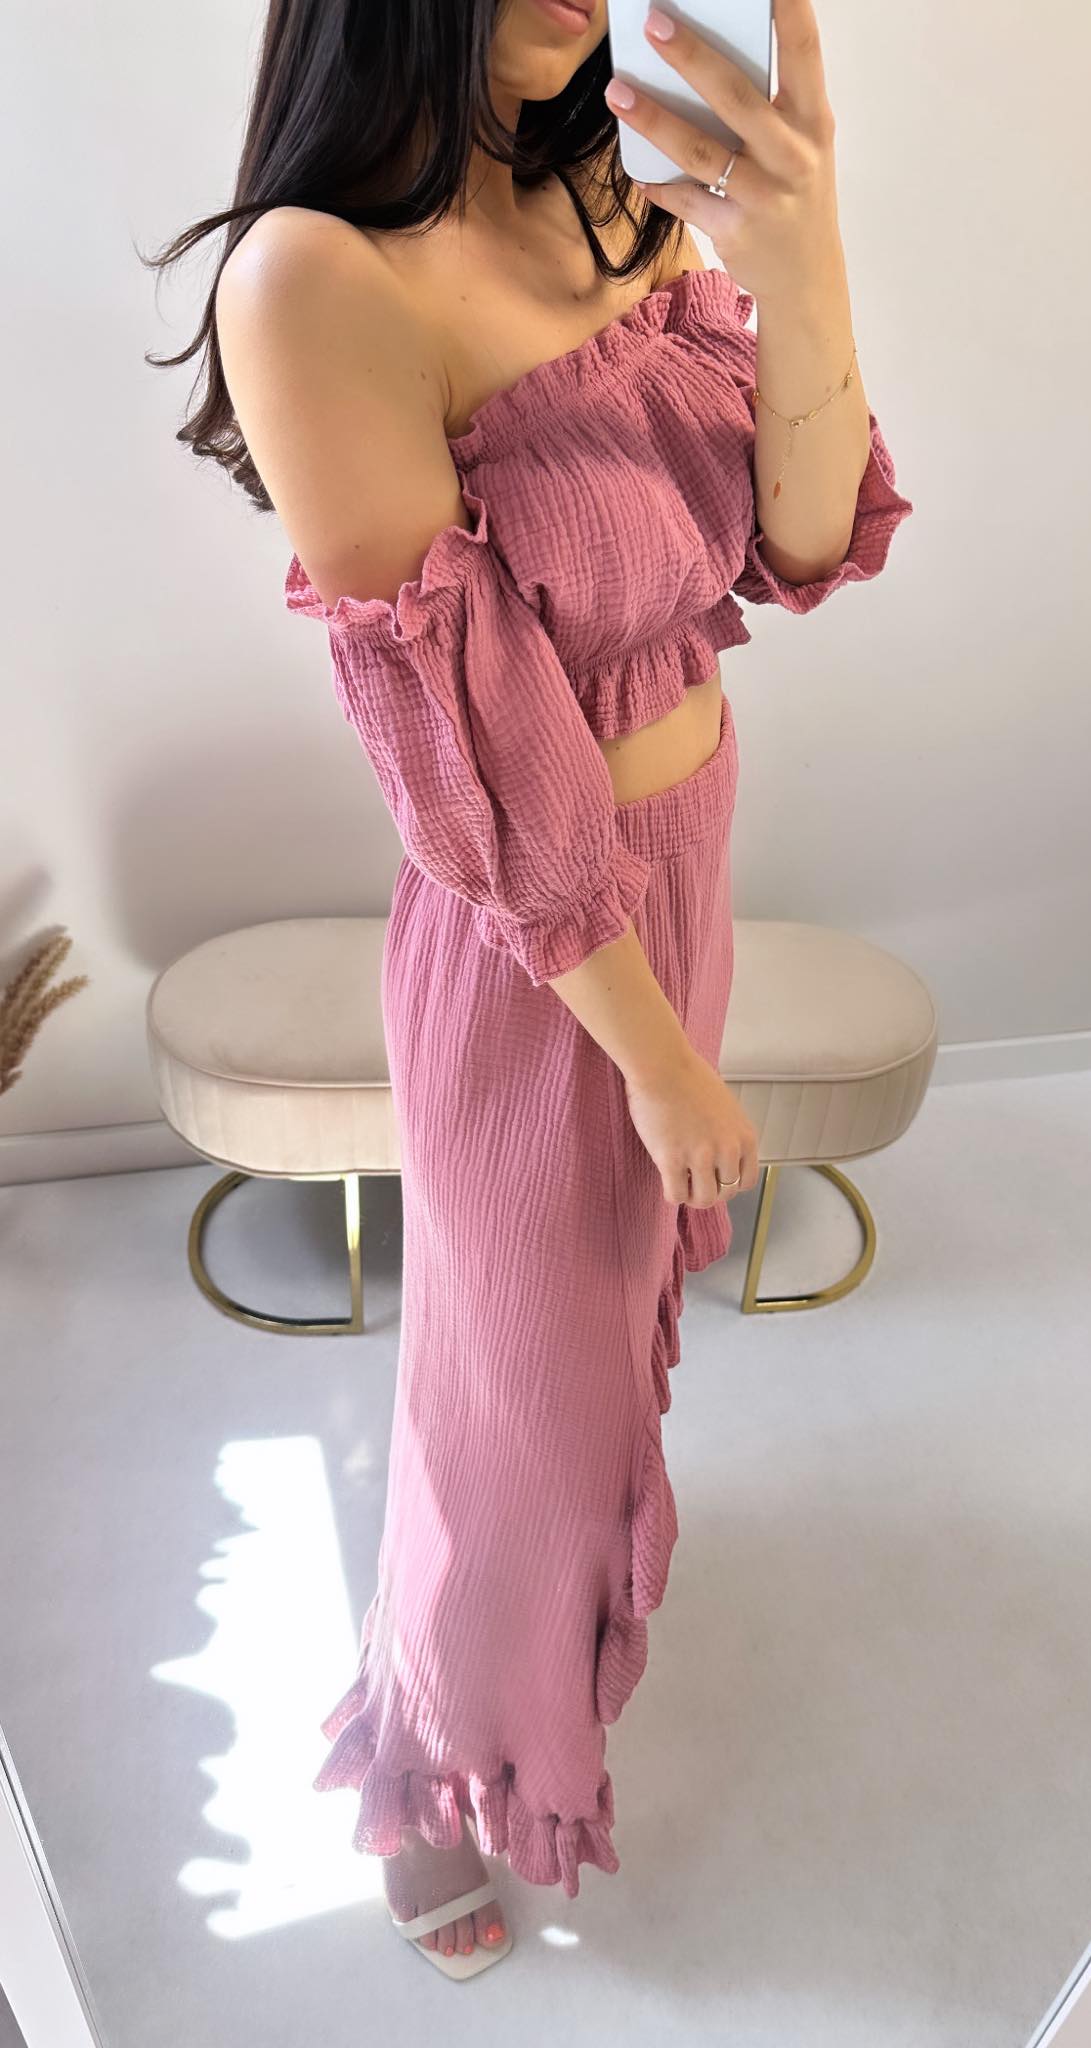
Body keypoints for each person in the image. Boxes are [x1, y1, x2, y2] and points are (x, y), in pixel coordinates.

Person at [148, 0, 912, 1982]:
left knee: (571, 1364)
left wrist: (805, 251)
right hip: (541, 962)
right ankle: (430, 1756)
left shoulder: (608, 193)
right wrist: (653, 1058)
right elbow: (468, 751)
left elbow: (801, 540)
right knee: (499, 1407)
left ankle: (514, 1655)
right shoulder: (315, 278)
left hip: (688, 865)